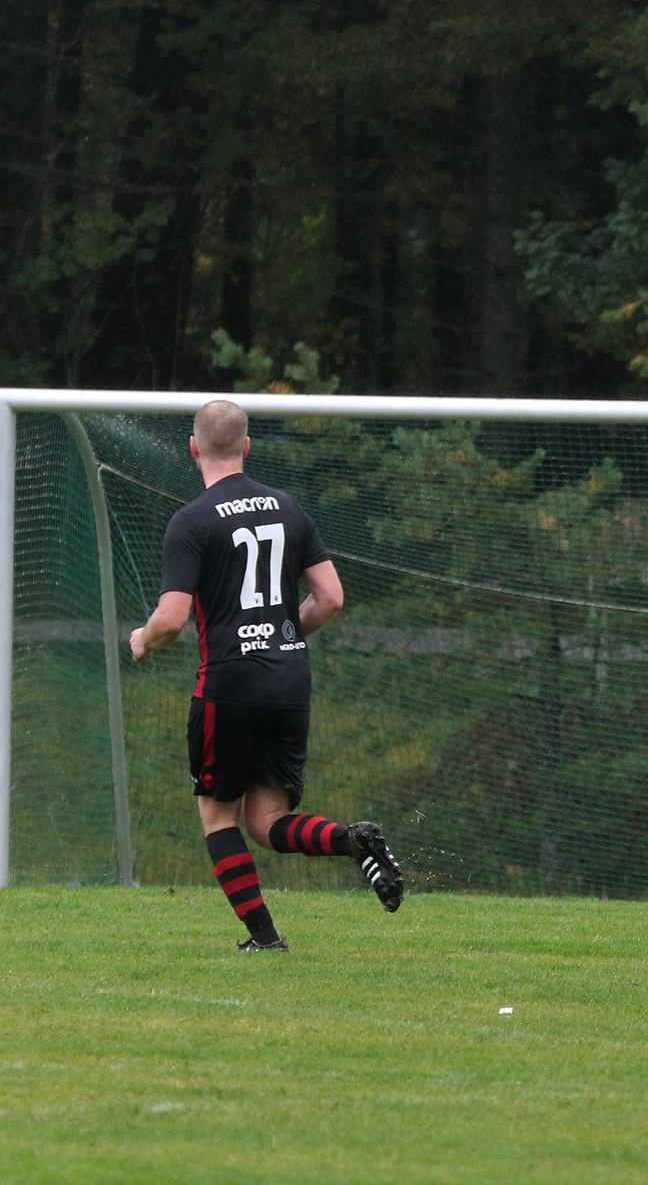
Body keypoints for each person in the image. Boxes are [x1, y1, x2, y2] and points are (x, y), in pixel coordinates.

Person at [129, 400, 403, 951]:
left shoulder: (192, 520)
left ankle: (266, 939)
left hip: (229, 682)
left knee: (218, 815)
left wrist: (143, 638)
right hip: (289, 679)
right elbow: (331, 598)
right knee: (267, 820)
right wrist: (283, 635)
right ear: (247, 446)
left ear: (193, 448)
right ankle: (352, 839)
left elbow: (172, 619)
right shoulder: (288, 508)